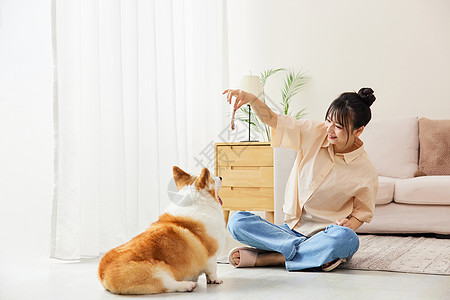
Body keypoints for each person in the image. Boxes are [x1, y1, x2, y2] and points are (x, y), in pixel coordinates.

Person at [222, 87, 378, 271]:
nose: (329, 129)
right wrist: (252, 99)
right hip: (288, 231)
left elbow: (361, 214)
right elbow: (274, 120)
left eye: (338, 126)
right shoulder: (314, 132)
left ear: (358, 131)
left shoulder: (365, 170)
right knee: (237, 222)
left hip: (325, 236)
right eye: (328, 120)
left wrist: (348, 224)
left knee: (347, 239)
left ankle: (275, 257)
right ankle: (307, 255)